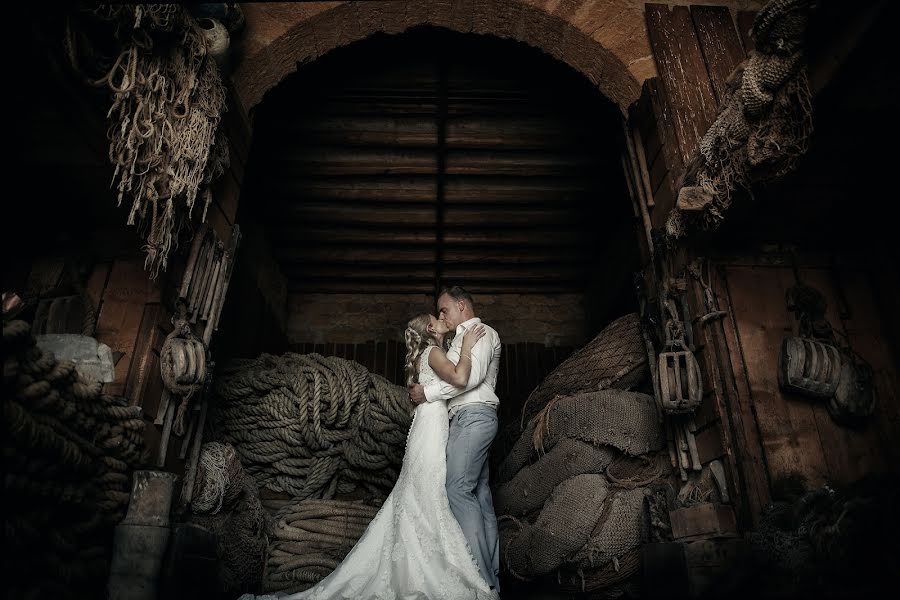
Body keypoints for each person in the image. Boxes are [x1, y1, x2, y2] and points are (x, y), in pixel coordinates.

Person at [241, 311, 496, 600]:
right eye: (436, 319)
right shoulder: (434, 351)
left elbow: (442, 386)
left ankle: (418, 561)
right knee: (428, 490)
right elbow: (460, 378)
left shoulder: (425, 354)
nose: (442, 321)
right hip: (432, 424)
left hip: (427, 423)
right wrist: (466, 347)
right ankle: (429, 567)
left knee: (422, 490)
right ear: (430, 328)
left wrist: (430, 390)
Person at [408, 286, 502, 593]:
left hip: (474, 417)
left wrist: (429, 393)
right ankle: (492, 580)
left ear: (461, 305)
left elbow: (467, 379)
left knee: (457, 489)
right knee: (480, 494)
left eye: (444, 309)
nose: (441, 316)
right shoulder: (452, 343)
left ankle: (481, 578)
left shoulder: (481, 331)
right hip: (462, 420)